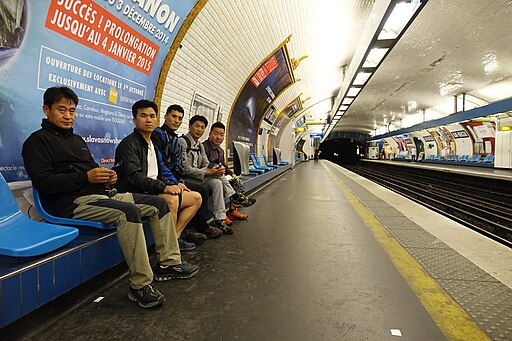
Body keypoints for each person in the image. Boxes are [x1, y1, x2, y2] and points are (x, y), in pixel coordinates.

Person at [22, 87, 198, 309]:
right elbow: (44, 183)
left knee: (159, 203)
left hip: (99, 195)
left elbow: (91, 172)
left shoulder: (76, 140)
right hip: (70, 204)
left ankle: (168, 263)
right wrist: (86, 177)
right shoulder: (36, 142)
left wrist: (107, 177)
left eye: (72, 111)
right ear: (46, 110)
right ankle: (139, 285)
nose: (68, 116)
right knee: (129, 213)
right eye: (61, 110)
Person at [113, 100, 202, 251]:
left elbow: (159, 172)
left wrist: (174, 183)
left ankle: (175, 237)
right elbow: (134, 178)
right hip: (137, 192)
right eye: (143, 116)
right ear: (135, 119)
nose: (148, 120)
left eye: (152, 116)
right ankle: (169, 250)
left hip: (152, 189)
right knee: (172, 200)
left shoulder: (152, 144)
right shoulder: (129, 144)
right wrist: (164, 187)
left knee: (196, 197)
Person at [152, 104, 222, 240]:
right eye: (173, 116)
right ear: (165, 116)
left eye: (179, 118)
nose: (176, 121)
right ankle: (195, 229)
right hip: (162, 181)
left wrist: (179, 181)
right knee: (200, 190)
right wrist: (176, 182)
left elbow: (178, 166)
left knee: (212, 185)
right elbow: (162, 165)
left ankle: (184, 232)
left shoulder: (173, 138)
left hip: (173, 179)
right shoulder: (160, 136)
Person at [179, 115, 241, 235]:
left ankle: (220, 218)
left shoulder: (199, 145)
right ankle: (234, 196)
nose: (199, 130)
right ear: (189, 126)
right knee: (214, 181)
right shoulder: (183, 142)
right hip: (188, 179)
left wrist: (217, 170)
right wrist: (208, 172)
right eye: (197, 126)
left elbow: (206, 163)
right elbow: (184, 168)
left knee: (217, 182)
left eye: (202, 127)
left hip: (200, 177)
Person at [203, 121, 255, 222]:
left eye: (221, 135)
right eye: (216, 134)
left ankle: (232, 210)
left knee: (236, 181)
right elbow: (204, 164)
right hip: (207, 176)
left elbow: (224, 165)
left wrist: (231, 174)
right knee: (220, 182)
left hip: (218, 175)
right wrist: (218, 169)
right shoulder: (204, 147)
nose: (218, 137)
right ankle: (236, 198)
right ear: (209, 134)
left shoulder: (220, 150)